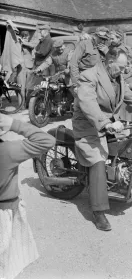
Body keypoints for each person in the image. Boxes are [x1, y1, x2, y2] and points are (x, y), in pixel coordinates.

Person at [72, 51, 132, 231]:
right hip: (89, 124)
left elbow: (131, 97)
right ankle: (99, 212)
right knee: (98, 159)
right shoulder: (88, 76)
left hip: (110, 123)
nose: (124, 70)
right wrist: (105, 123)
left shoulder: (117, 77)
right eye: (121, 67)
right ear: (109, 61)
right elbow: (87, 102)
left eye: (126, 67)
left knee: (131, 145)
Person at [0, 113, 56, 279]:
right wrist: (14, 124)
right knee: (7, 262)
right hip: (5, 213)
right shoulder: (7, 151)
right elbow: (47, 140)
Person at [26, 24, 53, 102]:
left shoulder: (48, 40)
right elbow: (37, 48)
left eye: (41, 31)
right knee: (35, 85)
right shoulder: (43, 40)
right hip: (38, 65)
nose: (40, 32)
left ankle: (41, 103)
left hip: (43, 66)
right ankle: (32, 103)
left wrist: (35, 52)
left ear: (45, 31)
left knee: (42, 86)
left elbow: (43, 53)